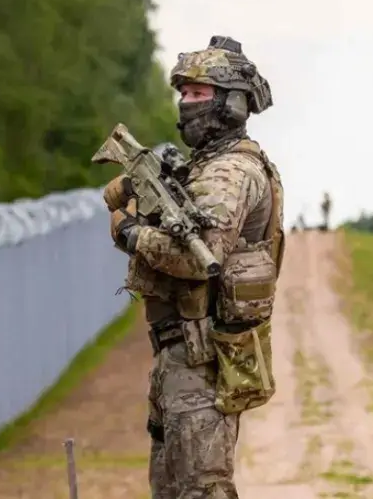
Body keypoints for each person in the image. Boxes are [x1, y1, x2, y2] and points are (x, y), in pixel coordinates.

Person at [102, 35, 286, 499]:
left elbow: (196, 257)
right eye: (183, 93)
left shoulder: (231, 172)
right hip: (178, 356)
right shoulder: (204, 167)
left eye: (198, 93)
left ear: (232, 103)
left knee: (201, 491)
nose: (186, 103)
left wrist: (130, 234)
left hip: (201, 359)